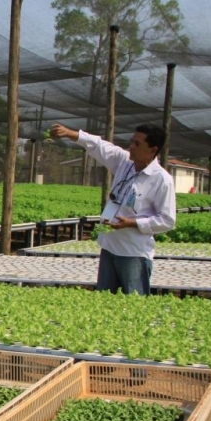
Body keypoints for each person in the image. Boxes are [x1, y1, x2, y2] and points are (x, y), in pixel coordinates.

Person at [50, 123, 176, 295]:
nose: (131, 146)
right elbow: (98, 145)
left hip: (134, 253)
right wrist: (69, 133)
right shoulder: (125, 162)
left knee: (133, 306)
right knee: (105, 301)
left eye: (137, 144)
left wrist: (132, 223)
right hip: (109, 247)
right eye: (132, 141)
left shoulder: (162, 180)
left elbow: (167, 220)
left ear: (153, 150)